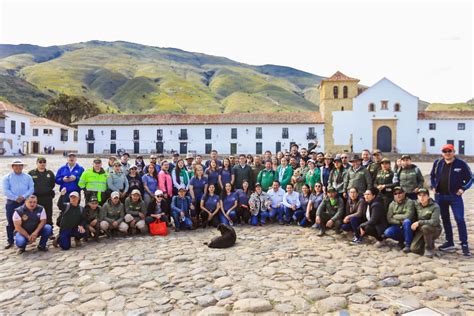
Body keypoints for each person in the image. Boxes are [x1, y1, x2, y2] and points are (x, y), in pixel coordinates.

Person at [430, 143, 473, 256]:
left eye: (450, 151)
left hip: (455, 197)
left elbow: (470, 178)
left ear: (454, 152)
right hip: (440, 196)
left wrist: (463, 188)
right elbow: (432, 176)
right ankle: (449, 242)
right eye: (445, 151)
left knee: (459, 219)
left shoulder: (461, 164)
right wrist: (433, 186)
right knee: (445, 219)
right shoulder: (438, 163)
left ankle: (464, 245)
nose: (447, 153)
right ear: (442, 153)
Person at [3, 159, 34, 249]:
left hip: (25, 202)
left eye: (20, 165)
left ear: (22, 167)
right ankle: (10, 240)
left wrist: (24, 196)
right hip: (12, 202)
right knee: (10, 221)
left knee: (25, 220)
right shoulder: (7, 178)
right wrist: (15, 197)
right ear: (12, 166)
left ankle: (24, 239)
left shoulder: (28, 177)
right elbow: (6, 190)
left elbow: (31, 188)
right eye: (16, 165)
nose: (18, 167)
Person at [410, 188, 442, 258]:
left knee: (426, 227)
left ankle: (429, 248)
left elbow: (434, 222)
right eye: (419, 195)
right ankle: (427, 242)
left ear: (428, 196)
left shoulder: (435, 206)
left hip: (434, 229)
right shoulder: (416, 204)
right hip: (421, 230)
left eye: (424, 195)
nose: (422, 198)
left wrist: (419, 222)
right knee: (414, 249)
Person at [383, 186, 416, 252]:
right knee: (387, 232)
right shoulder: (392, 204)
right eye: (395, 194)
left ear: (404, 193)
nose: (398, 195)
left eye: (400, 193)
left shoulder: (410, 202)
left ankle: (408, 245)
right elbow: (389, 219)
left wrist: (395, 216)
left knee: (407, 221)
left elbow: (408, 216)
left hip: (409, 227)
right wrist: (399, 222)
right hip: (397, 225)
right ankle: (401, 240)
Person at [28, 157, 56, 233]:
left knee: (48, 214)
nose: (42, 163)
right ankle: (36, 230)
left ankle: (50, 231)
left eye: (44, 162)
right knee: (36, 214)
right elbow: (29, 184)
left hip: (47, 197)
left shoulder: (50, 173)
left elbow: (52, 184)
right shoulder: (31, 173)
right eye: (40, 162)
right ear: (37, 163)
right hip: (36, 198)